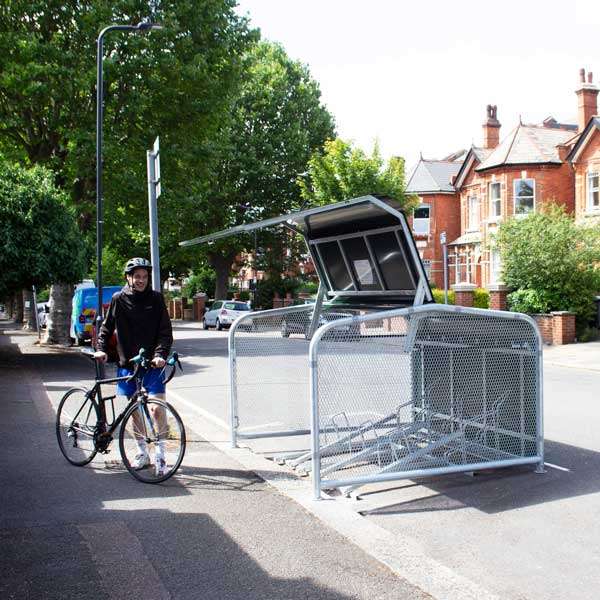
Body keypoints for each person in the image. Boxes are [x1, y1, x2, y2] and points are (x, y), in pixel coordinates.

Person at [93, 257, 173, 476]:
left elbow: (165, 332)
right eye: (137, 276)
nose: (141, 280)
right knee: (134, 411)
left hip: (153, 364)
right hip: (128, 363)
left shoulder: (156, 299)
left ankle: (161, 454)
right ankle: (142, 452)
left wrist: (160, 355)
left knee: (157, 409)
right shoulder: (119, 299)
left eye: (144, 277)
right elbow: (106, 327)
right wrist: (100, 348)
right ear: (128, 277)